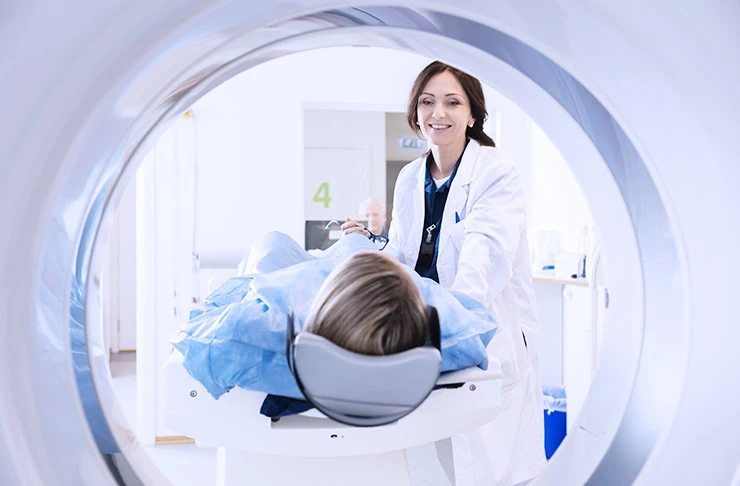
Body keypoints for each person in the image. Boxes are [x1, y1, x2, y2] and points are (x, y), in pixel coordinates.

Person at [342, 61, 545, 485]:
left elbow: (483, 258)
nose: (439, 113)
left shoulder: (495, 172)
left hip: (484, 338)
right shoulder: (410, 177)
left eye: (453, 102)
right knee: (450, 462)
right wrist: (371, 246)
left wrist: (450, 318)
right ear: (415, 112)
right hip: (433, 340)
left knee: (496, 467)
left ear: (473, 114)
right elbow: (406, 252)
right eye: (428, 101)